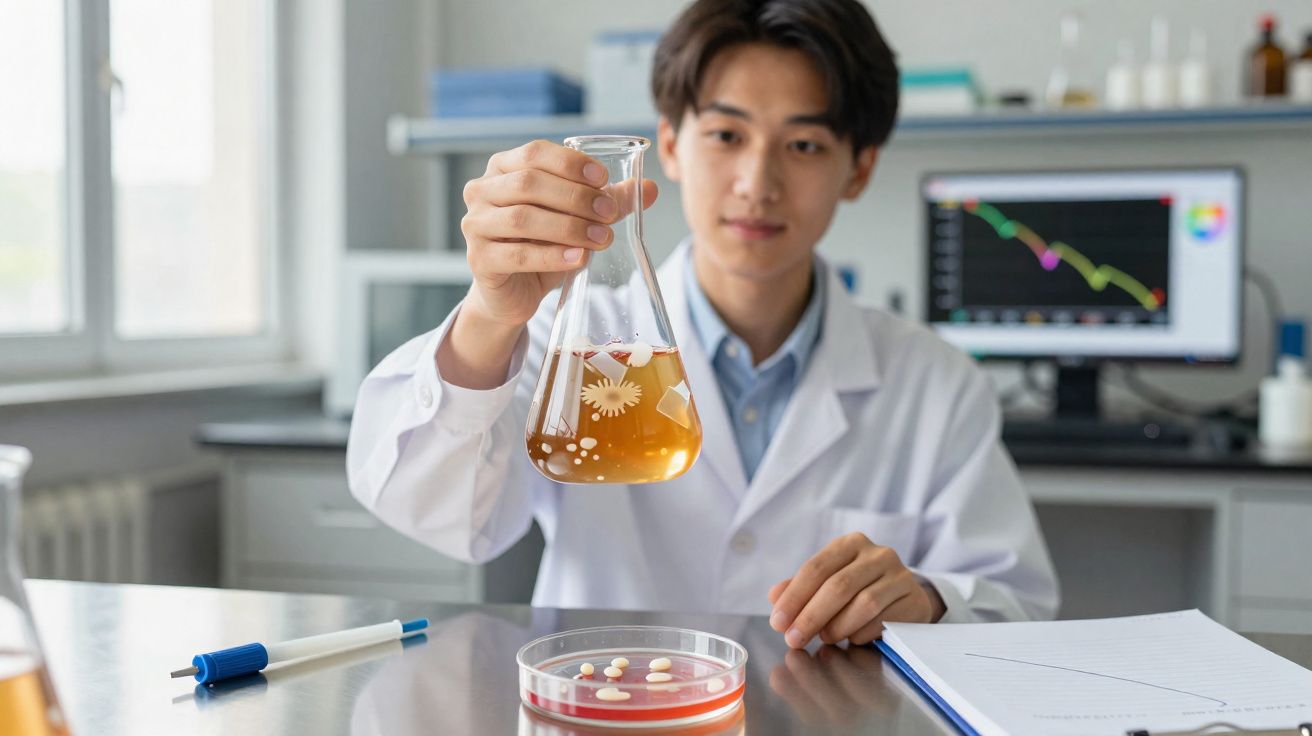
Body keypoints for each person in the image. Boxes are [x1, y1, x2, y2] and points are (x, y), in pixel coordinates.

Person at [347, 0, 1059, 649]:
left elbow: (1017, 608)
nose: (758, 181)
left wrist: (928, 601)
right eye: (726, 134)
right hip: (608, 712)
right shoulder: (563, 345)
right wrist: (488, 315)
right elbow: (430, 511)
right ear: (672, 145)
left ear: (860, 168)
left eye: (803, 145)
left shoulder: (934, 383)